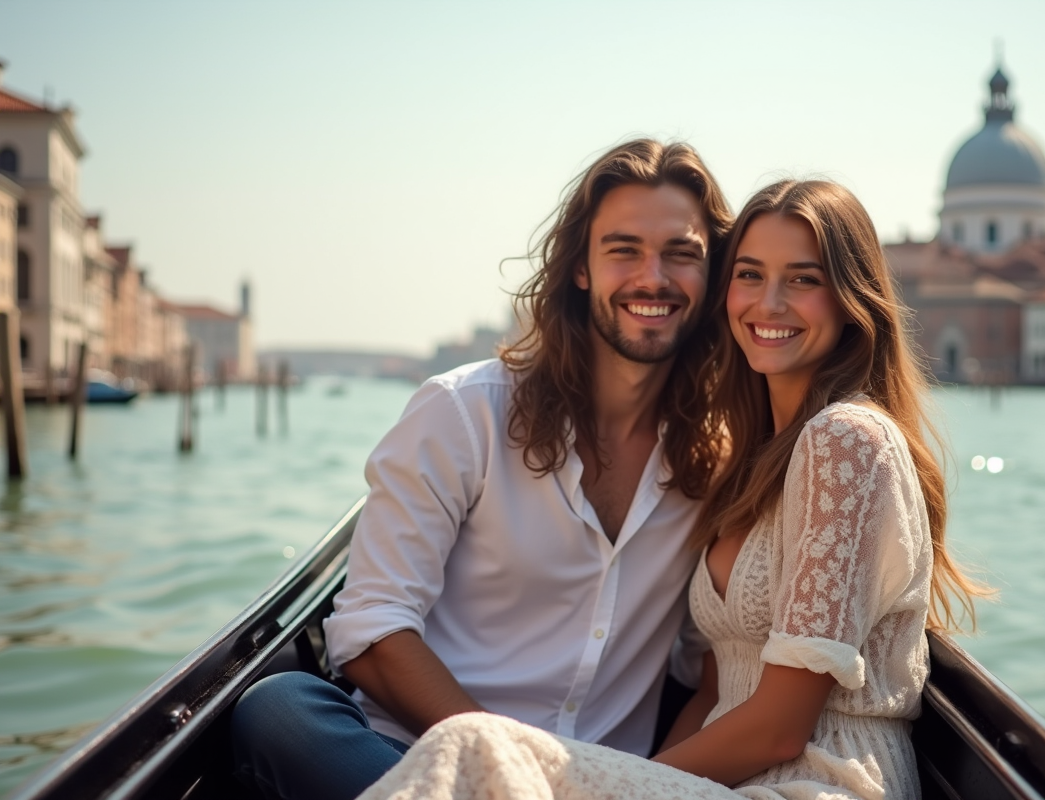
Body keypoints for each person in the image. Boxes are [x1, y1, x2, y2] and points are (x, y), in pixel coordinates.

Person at [358, 179, 989, 800]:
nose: (769, 303)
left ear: (852, 299)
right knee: (301, 711)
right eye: (748, 274)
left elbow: (779, 728)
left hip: (817, 784)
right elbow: (713, 693)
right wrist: (621, 778)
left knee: (474, 745)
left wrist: (594, 780)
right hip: (725, 782)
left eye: (804, 278)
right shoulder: (745, 463)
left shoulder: (845, 439)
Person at [229, 138, 734, 800]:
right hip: (413, 757)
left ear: (711, 276)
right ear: (580, 268)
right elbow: (373, 630)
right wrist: (503, 772)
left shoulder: (717, 460)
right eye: (624, 250)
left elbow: (709, 666)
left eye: (681, 253)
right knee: (281, 709)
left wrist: (656, 785)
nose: (653, 277)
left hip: (598, 785)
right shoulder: (462, 412)